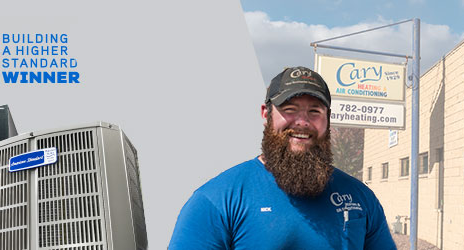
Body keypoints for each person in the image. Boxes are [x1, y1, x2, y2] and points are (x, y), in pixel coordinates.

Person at [168, 66, 396, 249]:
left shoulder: (361, 197)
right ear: (266, 115)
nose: (303, 122)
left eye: (315, 111)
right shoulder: (216, 199)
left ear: (327, 119)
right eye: (290, 109)